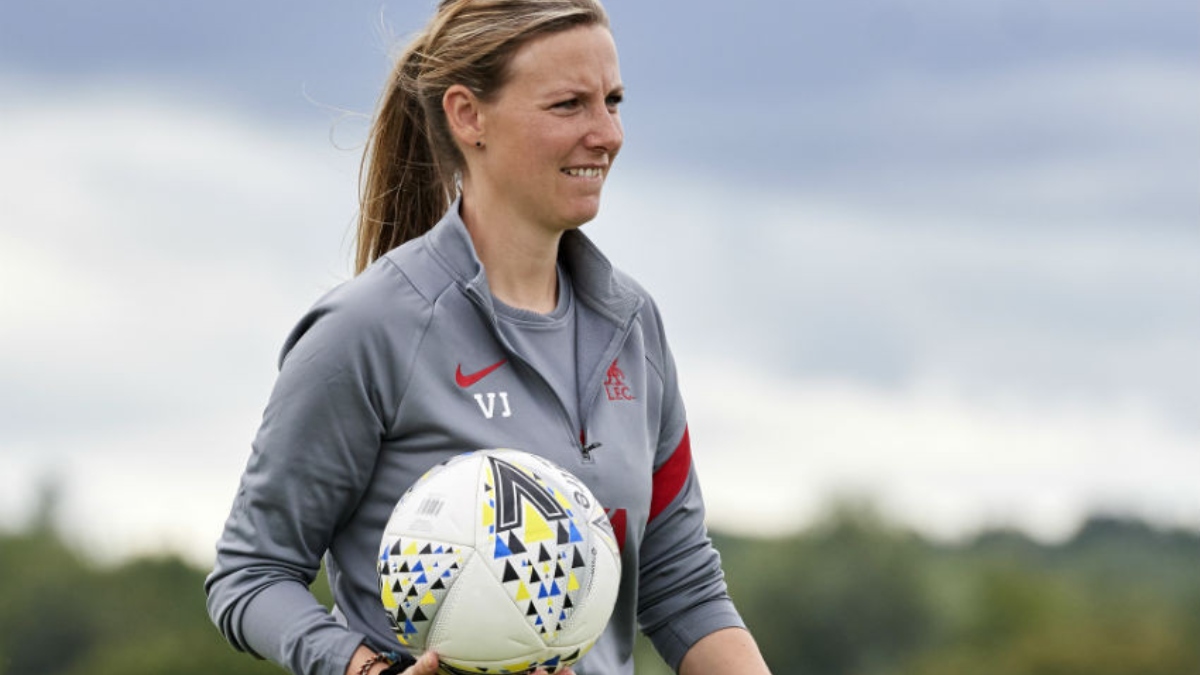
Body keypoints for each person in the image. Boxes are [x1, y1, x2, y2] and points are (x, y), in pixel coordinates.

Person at [205, 1, 772, 674]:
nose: (607, 133)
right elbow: (252, 572)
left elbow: (685, 593)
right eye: (568, 105)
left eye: (613, 101)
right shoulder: (366, 330)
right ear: (468, 115)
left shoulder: (634, 326)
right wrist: (363, 669)